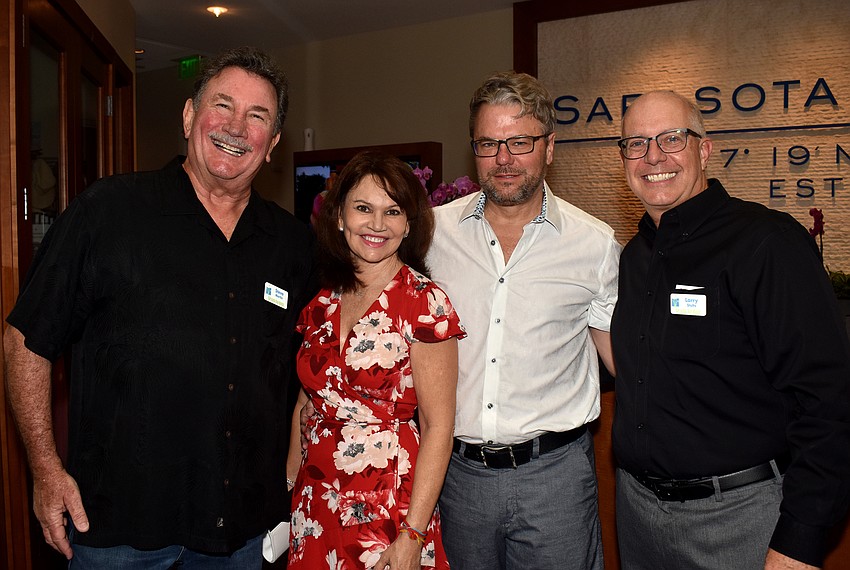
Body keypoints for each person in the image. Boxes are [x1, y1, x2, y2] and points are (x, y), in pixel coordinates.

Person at [3, 46, 315, 568]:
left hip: (239, 534)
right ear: (190, 115)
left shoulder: (292, 245)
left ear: (274, 143)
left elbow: (309, 373)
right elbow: (26, 339)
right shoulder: (108, 212)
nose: (236, 127)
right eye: (222, 106)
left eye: (257, 116)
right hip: (119, 527)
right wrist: (45, 470)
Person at [610, 90, 850, 570]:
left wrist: (798, 545)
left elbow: (829, 402)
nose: (653, 156)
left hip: (740, 520)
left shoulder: (767, 243)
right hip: (637, 517)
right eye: (636, 143)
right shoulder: (635, 257)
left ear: (704, 149)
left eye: (671, 138)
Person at [427, 72, 621, 570]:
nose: (504, 159)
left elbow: (624, 359)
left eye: (520, 141)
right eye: (489, 144)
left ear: (549, 147)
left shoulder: (594, 244)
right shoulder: (431, 235)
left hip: (554, 478)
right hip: (456, 476)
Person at [286, 150, 465, 570]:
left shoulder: (425, 304)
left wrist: (413, 534)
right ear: (340, 217)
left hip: (389, 509)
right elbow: (305, 401)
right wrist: (291, 485)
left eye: (393, 211)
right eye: (363, 208)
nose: (377, 225)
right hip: (315, 504)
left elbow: (439, 428)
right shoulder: (320, 303)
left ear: (408, 224)